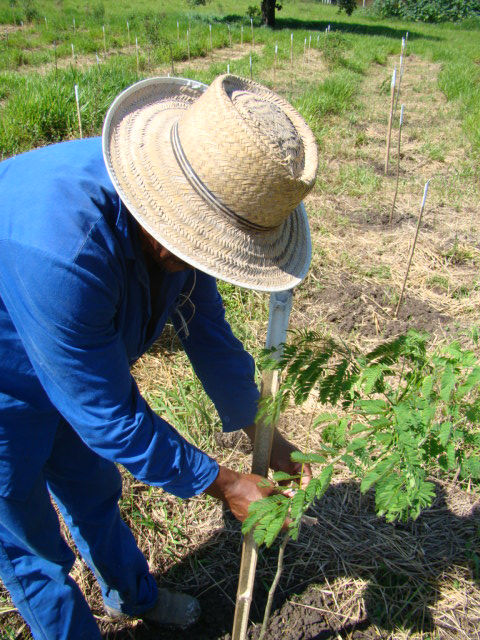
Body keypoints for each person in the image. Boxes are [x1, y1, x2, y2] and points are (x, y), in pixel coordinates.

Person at [0, 74, 318, 639]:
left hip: (77, 364)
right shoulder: (62, 250)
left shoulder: (183, 222)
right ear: (166, 212)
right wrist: (222, 482)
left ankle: (134, 597)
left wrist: (258, 428)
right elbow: (108, 417)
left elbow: (207, 331)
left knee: (94, 491)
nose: (203, 259)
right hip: (5, 389)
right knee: (34, 549)